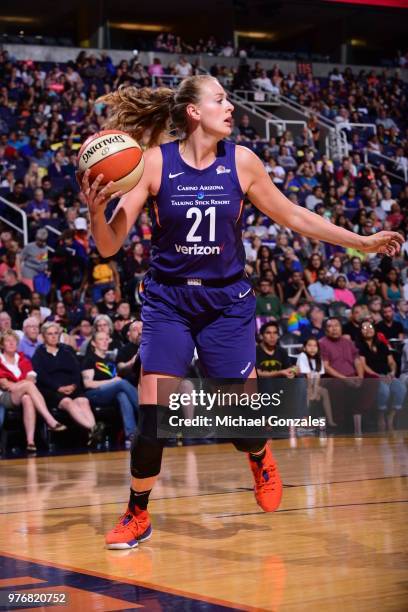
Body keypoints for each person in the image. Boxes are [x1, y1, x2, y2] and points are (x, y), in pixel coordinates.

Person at [79, 75, 402, 549]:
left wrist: (360, 243)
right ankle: (137, 512)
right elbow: (109, 245)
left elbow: (293, 215)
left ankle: (259, 455)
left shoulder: (243, 162)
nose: (230, 107)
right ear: (194, 112)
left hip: (226, 305)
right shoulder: (152, 163)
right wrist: (95, 212)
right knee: (153, 417)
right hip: (169, 301)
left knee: (241, 424)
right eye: (220, 99)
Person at [32, 322, 103, 446]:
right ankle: (93, 428)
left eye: (55, 333)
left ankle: (93, 431)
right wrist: (58, 387)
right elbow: (41, 376)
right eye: (50, 334)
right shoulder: (39, 354)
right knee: (68, 402)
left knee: (83, 401)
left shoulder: (67, 351)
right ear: (43, 336)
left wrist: (74, 385)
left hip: (72, 387)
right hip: (52, 390)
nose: (53, 336)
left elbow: (76, 370)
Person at [0, 330, 66, 453]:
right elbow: (5, 384)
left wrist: (22, 385)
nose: (11, 343)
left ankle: (30, 442)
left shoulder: (22, 358)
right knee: (28, 386)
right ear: (2, 345)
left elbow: (31, 378)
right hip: (4, 396)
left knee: (27, 398)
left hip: (21, 394)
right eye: (8, 341)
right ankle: (50, 420)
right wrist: (23, 384)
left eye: (14, 341)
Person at [81, 330, 139, 447]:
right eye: (101, 339)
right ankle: (148, 412)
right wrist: (112, 381)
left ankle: (131, 435)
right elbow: (88, 384)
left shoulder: (110, 360)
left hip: (110, 394)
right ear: (93, 343)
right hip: (94, 394)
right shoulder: (89, 359)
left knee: (122, 395)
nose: (105, 342)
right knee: (121, 384)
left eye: (106, 339)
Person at [358, 320, 405, 432]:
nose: (368, 329)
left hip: (387, 375)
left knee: (401, 389)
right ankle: (381, 415)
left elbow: (392, 362)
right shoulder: (359, 346)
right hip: (371, 377)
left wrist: (392, 372)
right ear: (360, 332)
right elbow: (364, 366)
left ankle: (391, 416)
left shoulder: (382, 345)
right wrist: (378, 376)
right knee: (384, 390)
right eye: (364, 328)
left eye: (370, 327)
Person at [296, 338, 336, 427]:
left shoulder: (319, 358)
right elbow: (308, 375)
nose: (312, 348)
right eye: (309, 345)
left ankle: (330, 420)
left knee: (325, 391)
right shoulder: (303, 356)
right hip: (303, 384)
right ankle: (304, 420)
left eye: (315, 346)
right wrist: (312, 392)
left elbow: (318, 376)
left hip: (313, 384)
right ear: (304, 348)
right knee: (307, 393)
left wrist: (315, 390)